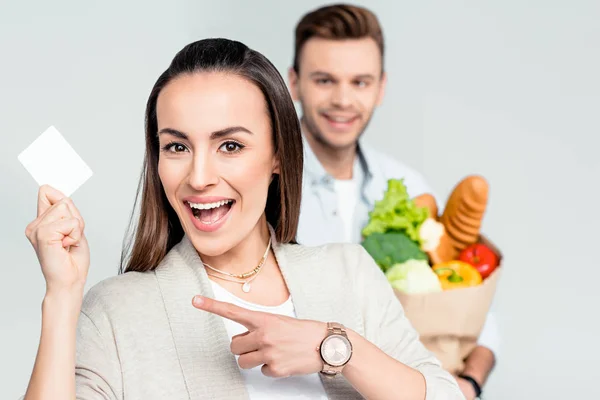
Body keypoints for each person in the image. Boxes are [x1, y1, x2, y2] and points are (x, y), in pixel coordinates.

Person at [20, 38, 464, 400]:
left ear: (277, 155)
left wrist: (334, 347)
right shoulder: (117, 311)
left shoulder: (350, 274)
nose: (198, 177)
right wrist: (61, 295)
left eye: (229, 146)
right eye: (177, 147)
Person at [288, 4, 499, 399]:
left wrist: (468, 384)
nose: (343, 99)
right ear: (295, 83)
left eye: (360, 82)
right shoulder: (263, 187)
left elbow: (477, 317)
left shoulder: (409, 186)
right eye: (324, 80)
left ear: (381, 88)